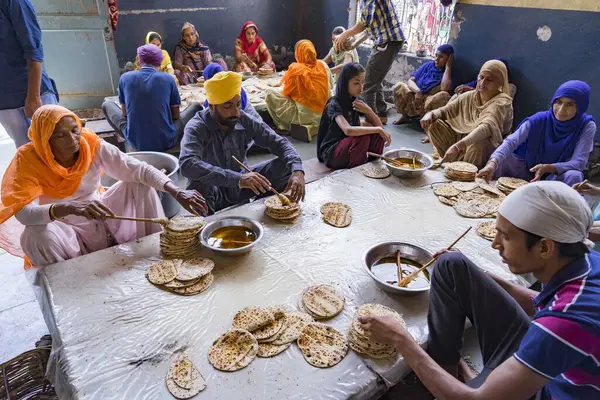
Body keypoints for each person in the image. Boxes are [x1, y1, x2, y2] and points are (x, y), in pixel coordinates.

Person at [360, 181, 599, 400]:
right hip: (547, 359)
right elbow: (541, 303)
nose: (495, 244)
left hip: (544, 391)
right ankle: (445, 373)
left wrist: (400, 339)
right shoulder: (585, 262)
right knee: (452, 265)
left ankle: (449, 390)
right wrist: (483, 277)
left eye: (505, 237)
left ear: (545, 247)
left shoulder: (566, 323)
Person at [0, 105, 207, 266]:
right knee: (34, 235)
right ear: (44, 140)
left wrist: (177, 191)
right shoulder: (28, 160)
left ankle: (154, 251)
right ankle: (69, 283)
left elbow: (136, 168)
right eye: (60, 135)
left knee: (139, 184)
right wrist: (70, 207)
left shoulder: (89, 143)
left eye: (74, 130)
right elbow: (24, 213)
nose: (72, 139)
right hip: (65, 228)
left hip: (101, 213)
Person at [179, 71, 305, 215]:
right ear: (212, 106)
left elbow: (279, 142)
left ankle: (264, 210)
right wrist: (237, 179)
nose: (236, 112)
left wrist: (298, 171)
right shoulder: (196, 126)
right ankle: (208, 224)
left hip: (242, 186)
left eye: (238, 104)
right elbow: (187, 164)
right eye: (227, 106)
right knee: (198, 185)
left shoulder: (242, 118)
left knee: (287, 166)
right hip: (214, 190)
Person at [478, 81, 595, 186]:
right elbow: (511, 141)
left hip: (554, 176)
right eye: (558, 102)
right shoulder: (539, 119)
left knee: (574, 176)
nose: (561, 110)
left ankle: (550, 204)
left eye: (570, 104)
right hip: (529, 169)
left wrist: (550, 168)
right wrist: (492, 163)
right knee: (502, 158)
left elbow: (579, 162)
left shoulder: (586, 126)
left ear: (581, 106)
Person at [102, 44, 202, 152]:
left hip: (136, 141)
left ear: (139, 61)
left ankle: (130, 136)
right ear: (159, 61)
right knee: (195, 106)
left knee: (106, 105)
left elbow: (125, 113)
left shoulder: (125, 78)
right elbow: (176, 115)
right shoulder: (168, 79)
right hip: (166, 140)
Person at [421, 60, 513, 168]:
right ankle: (450, 163)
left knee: (478, 144)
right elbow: (445, 110)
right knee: (434, 124)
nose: (482, 83)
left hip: (486, 146)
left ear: (500, 83)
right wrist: (430, 114)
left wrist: (457, 147)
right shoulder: (471, 96)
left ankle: (468, 173)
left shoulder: (502, 102)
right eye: (481, 77)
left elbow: (486, 127)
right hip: (462, 141)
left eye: (490, 80)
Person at [334, 0, 405, 124]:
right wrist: (355, 43)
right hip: (387, 41)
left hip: (387, 41)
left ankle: (370, 121)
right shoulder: (365, 4)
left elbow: (363, 23)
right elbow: (369, 28)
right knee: (375, 79)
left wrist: (345, 34)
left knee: (367, 85)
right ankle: (381, 114)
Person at [0, 0, 58, 149]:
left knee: (58, 150)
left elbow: (33, 50)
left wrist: (34, 96)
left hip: (32, 94)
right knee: (28, 158)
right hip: (5, 103)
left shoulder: (13, 2)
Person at [317, 63, 391, 169]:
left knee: (376, 134)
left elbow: (380, 129)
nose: (361, 87)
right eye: (356, 83)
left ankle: (372, 165)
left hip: (349, 146)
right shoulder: (334, 103)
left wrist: (370, 112)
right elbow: (348, 130)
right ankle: (357, 170)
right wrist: (378, 129)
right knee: (362, 138)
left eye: (362, 82)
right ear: (345, 83)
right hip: (332, 151)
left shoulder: (357, 100)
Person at [265, 40, 333, 143]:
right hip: (325, 115)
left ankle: (287, 126)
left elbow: (286, 92)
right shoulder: (324, 66)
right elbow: (331, 86)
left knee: (270, 93)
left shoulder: (297, 70)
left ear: (298, 54)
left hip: (303, 118)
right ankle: (314, 127)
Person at [393, 44, 454, 126]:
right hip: (416, 96)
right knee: (399, 86)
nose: (436, 59)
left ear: (449, 59)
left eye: (441, 57)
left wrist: (448, 67)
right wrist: (418, 92)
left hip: (428, 102)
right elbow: (411, 80)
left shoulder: (448, 73)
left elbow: (445, 89)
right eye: (436, 55)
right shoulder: (428, 65)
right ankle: (405, 116)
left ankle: (428, 124)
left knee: (444, 95)